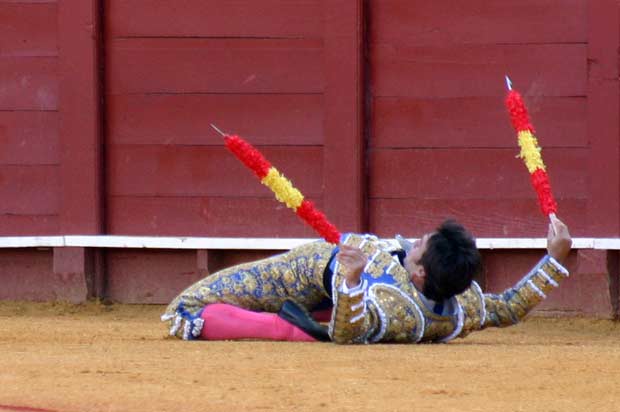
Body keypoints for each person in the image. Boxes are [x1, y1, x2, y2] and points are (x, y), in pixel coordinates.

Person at [162, 216, 571, 344]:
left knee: (184, 310)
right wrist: (553, 259)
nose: (413, 241)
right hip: (328, 290)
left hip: (302, 275)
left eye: (419, 245)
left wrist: (354, 279)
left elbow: (349, 333)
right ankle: (306, 319)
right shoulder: (462, 303)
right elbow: (508, 306)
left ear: (421, 271)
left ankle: (290, 329)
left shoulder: (394, 312)